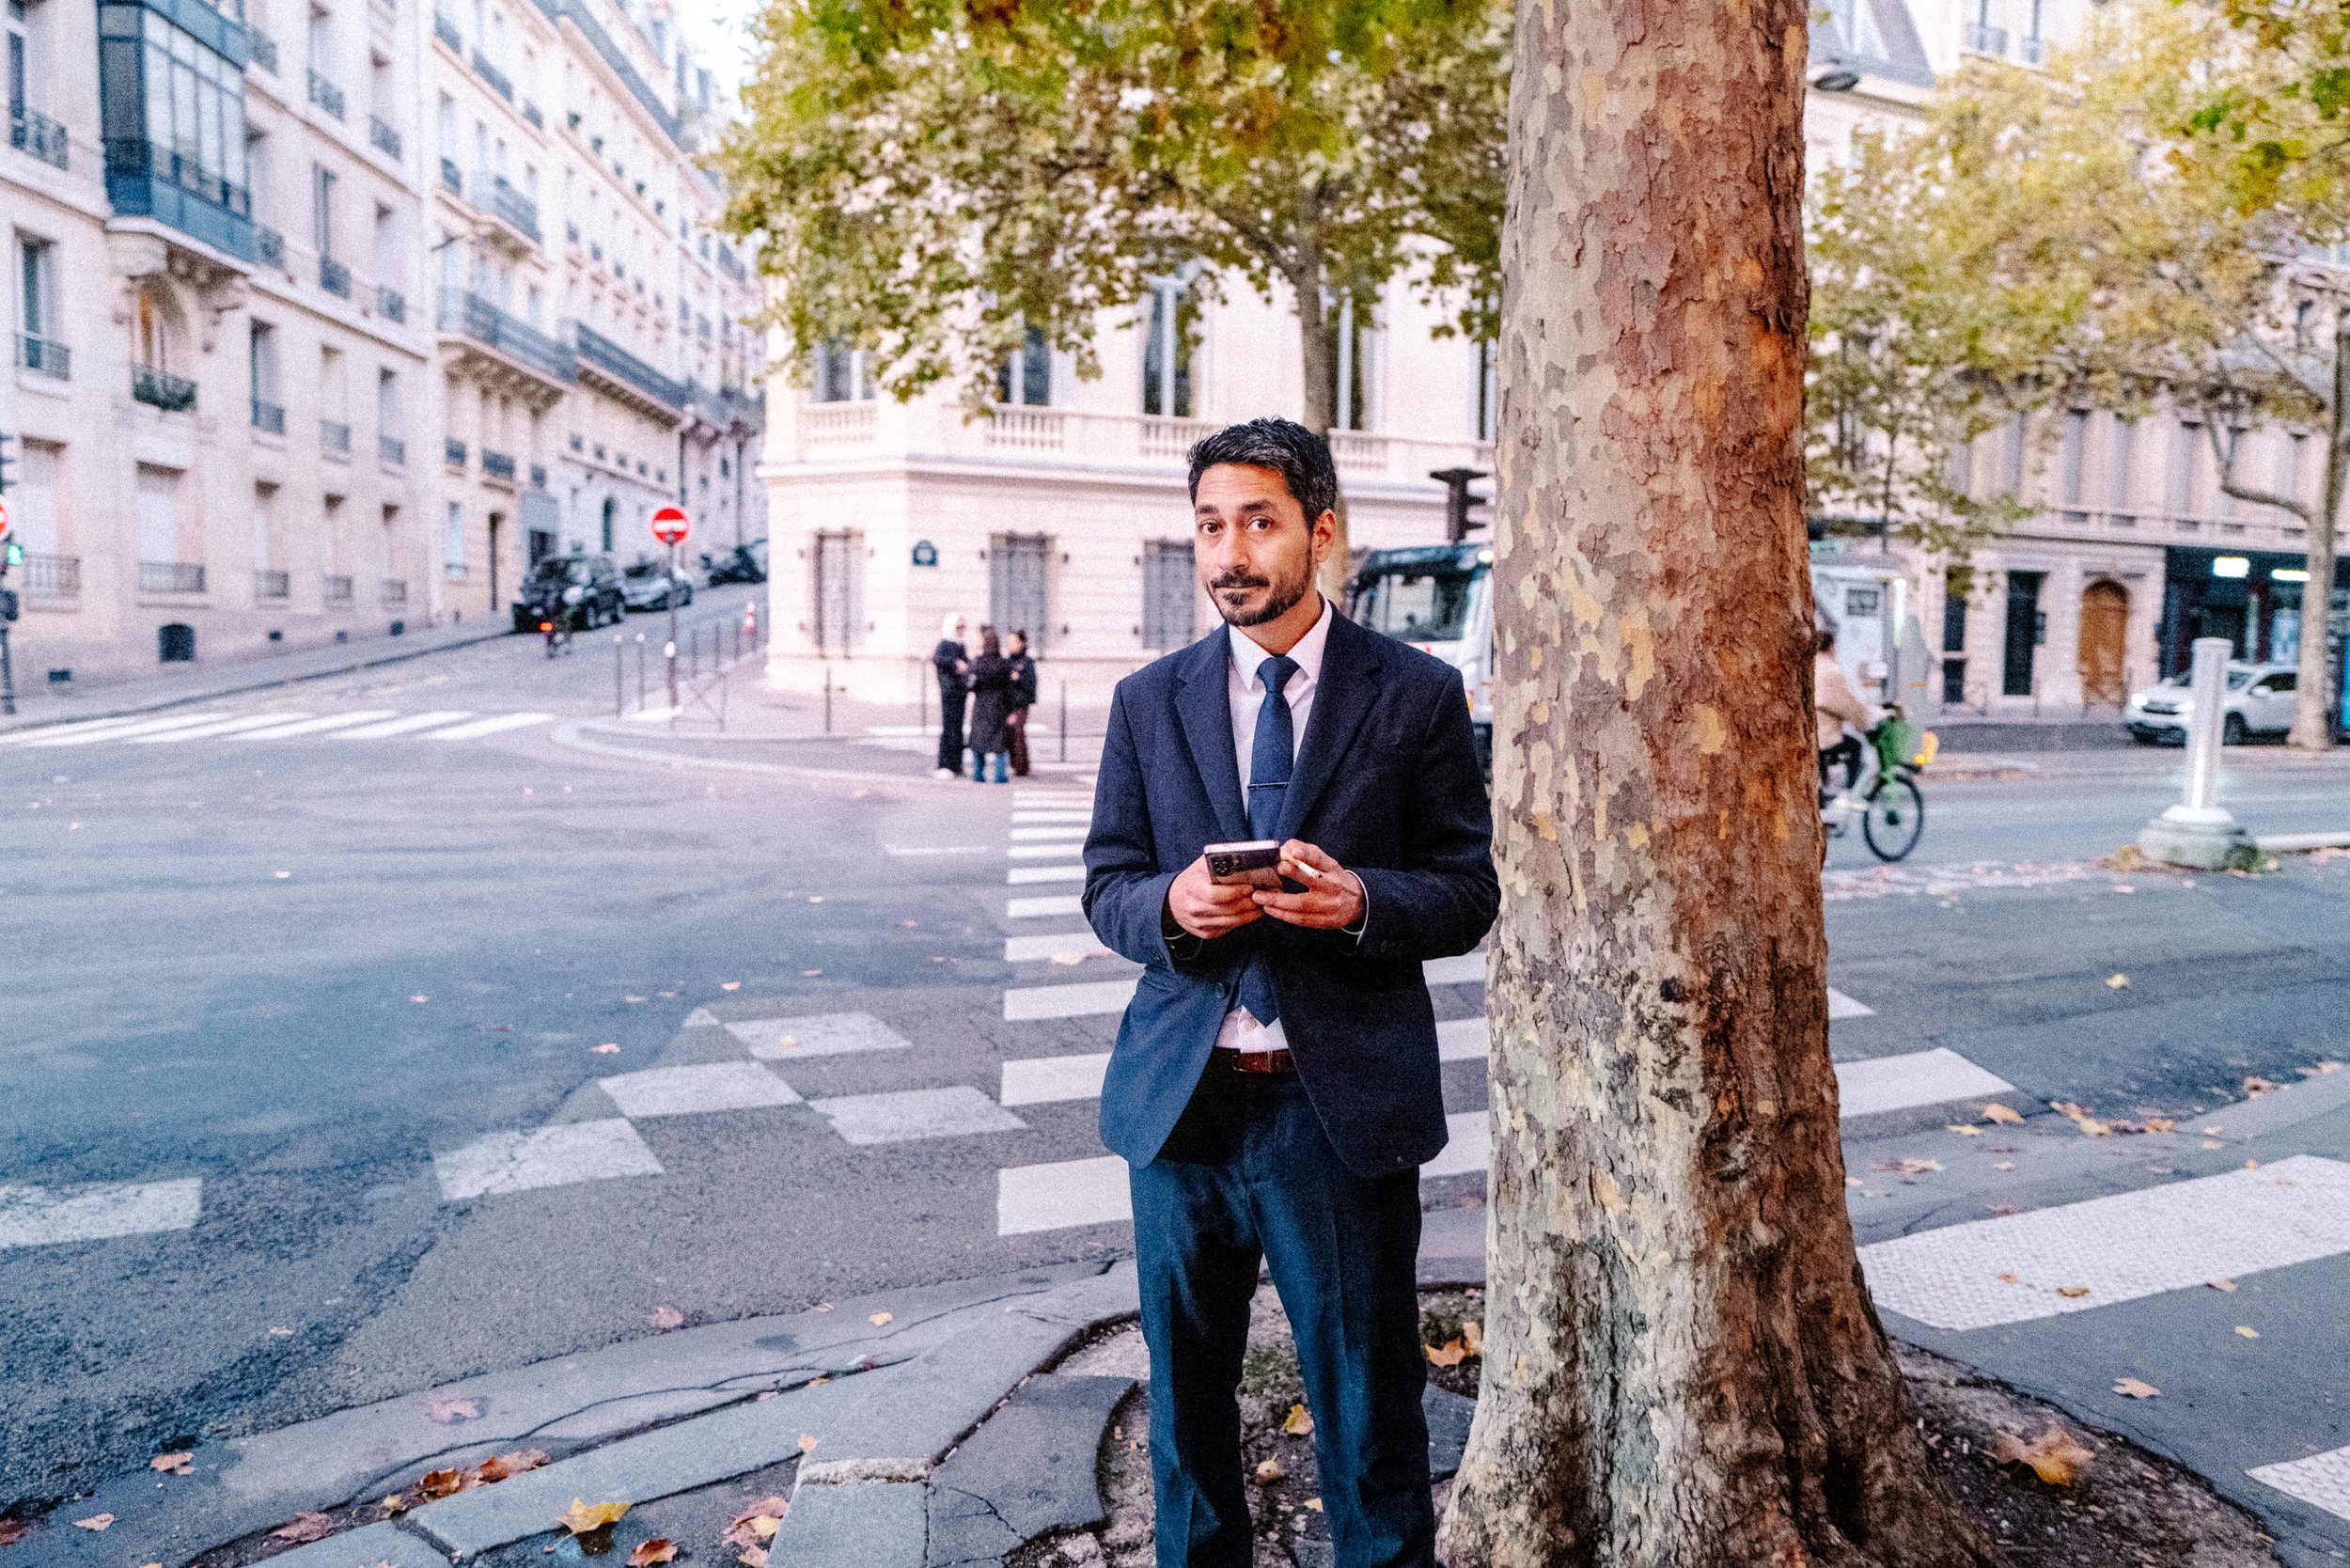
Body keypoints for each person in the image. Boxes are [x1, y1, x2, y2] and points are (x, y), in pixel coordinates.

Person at [1083, 417, 1497, 1568]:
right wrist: (1172, 907)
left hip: (1337, 1112)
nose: (1230, 551)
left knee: (1367, 1406)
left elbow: (1468, 891)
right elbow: (1107, 886)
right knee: (1188, 1413)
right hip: (1182, 1108)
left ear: (1321, 533)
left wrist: (1362, 902)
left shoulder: (1415, 694)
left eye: (1257, 522)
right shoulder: (1146, 700)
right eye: (1211, 524)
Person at [1815, 625, 1876, 805]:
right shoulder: (1831, 671)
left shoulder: (1811, 665)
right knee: (1855, 747)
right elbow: (1847, 704)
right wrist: (1864, 720)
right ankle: (1847, 794)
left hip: (1813, 731)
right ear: (1832, 646)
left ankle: (1825, 793)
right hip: (1823, 734)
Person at [965, 627, 1014, 784]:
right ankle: (1001, 775)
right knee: (999, 742)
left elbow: (970, 685)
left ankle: (978, 774)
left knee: (979, 740)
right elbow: (1009, 686)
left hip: (981, 704)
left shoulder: (978, 663)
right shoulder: (1004, 663)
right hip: (999, 704)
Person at [932, 613, 970, 779]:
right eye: (959, 627)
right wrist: (956, 663)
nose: (961, 630)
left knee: (958, 728)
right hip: (949, 690)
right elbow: (939, 659)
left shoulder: (960, 645)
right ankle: (945, 763)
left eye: (963, 627)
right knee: (949, 726)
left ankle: (956, 764)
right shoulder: (945, 643)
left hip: (960, 690)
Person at [1005, 630, 1039, 777]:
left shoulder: (1027, 662)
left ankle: (1022, 767)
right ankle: (1016, 764)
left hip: (1021, 703)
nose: (1010, 646)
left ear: (1021, 643)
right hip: (1008, 704)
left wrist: (1019, 678)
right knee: (1009, 733)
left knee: (1018, 732)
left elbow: (1032, 684)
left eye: (1013, 642)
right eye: (1009, 643)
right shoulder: (1007, 661)